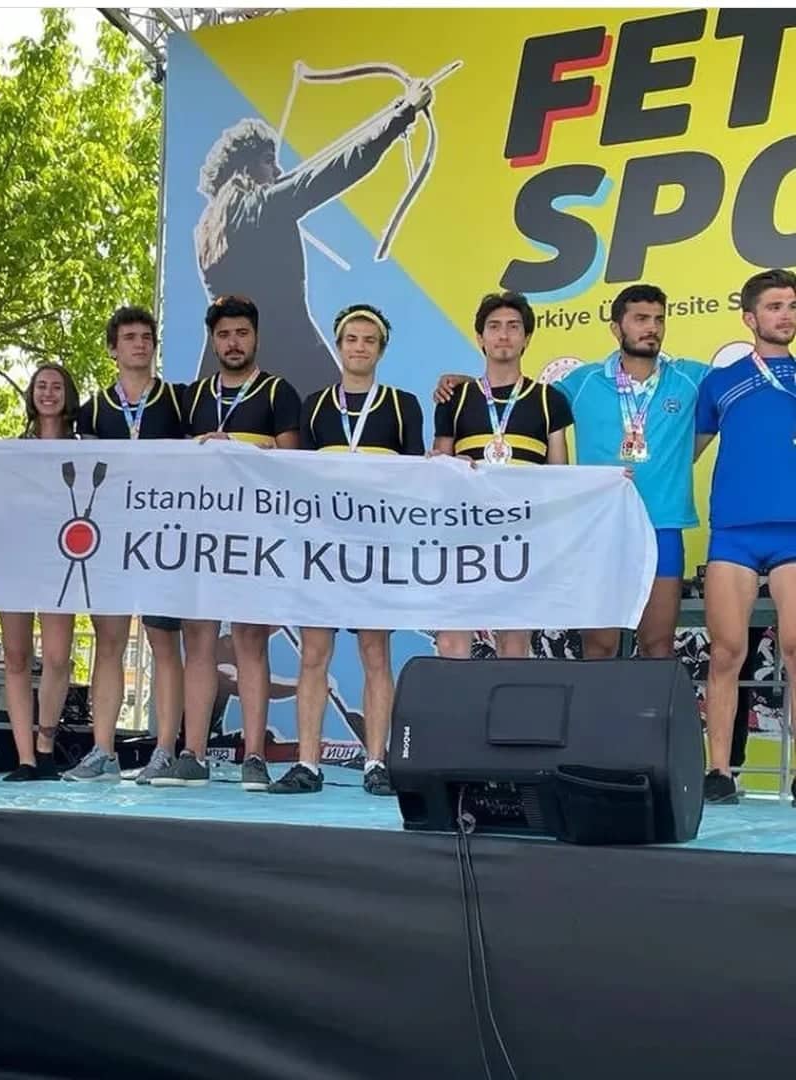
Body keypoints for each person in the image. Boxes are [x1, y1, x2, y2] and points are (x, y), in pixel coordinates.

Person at [436, 283, 706, 661]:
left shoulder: (691, 378)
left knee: (658, 645)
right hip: (600, 526)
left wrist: (682, 455)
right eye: (641, 319)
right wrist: (466, 384)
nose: (652, 328)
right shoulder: (581, 383)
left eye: (659, 320)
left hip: (662, 523)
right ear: (616, 327)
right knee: (599, 646)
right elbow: (519, 398)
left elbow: (730, 397)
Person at [194, 80, 434, 401]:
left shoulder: (209, 227)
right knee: (336, 419)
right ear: (244, 168)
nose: (277, 169)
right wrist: (403, 114)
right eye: (268, 160)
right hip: (292, 357)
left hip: (230, 368)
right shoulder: (258, 207)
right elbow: (330, 173)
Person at [269, 304, 424, 796]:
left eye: (369, 340)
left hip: (377, 549)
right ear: (338, 347)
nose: (359, 348)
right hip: (323, 548)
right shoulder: (315, 405)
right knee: (314, 654)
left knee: (375, 653)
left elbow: (417, 479)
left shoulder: (402, 405)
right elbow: (298, 476)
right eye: (351, 339)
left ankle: (376, 761)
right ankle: (308, 763)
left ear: (381, 350)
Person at [152, 295, 301, 791]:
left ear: (255, 337)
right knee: (197, 641)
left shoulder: (278, 391)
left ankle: (254, 757)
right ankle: (192, 753)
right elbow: (170, 461)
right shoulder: (192, 397)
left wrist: (234, 447)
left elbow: (293, 463)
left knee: (249, 641)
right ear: (212, 341)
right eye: (223, 335)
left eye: (241, 333)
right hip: (201, 535)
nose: (233, 343)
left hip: (255, 535)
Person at [63, 306, 187, 785]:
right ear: (113, 349)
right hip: (111, 540)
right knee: (109, 641)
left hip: (161, 540)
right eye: (130, 337)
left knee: (163, 643)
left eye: (147, 337)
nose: (140, 344)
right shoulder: (94, 409)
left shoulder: (177, 401)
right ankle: (103, 751)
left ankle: (165, 750)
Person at [694, 268, 796, 805]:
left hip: (793, 532)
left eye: (792, 306)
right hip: (733, 532)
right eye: (775, 306)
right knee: (726, 652)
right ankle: (718, 771)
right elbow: (681, 454)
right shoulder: (719, 382)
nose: (787, 316)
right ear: (750, 317)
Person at [431, 291, 572, 660]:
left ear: (527, 338)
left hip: (523, 535)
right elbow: (439, 470)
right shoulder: (455, 398)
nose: (504, 335)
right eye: (494, 327)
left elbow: (560, 477)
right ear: (480, 338)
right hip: (465, 532)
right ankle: (457, 703)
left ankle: (510, 702)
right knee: (452, 641)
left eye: (513, 327)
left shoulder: (550, 400)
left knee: (514, 641)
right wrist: (445, 466)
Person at [0, 364, 80, 781]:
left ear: (68, 395)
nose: (48, 393)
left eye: (56, 387)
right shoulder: (11, 452)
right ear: (32, 395)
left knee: (57, 657)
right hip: (14, 561)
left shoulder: (85, 449)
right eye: (41, 386)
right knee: (16, 656)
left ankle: (46, 746)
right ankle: (25, 757)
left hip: (61, 564)